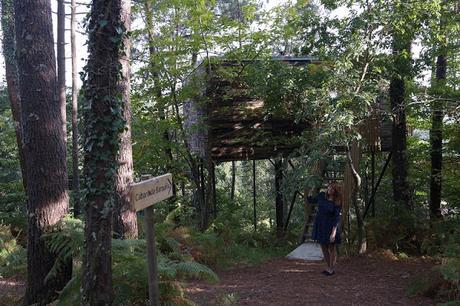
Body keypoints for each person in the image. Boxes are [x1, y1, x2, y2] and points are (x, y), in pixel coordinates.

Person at [308, 182, 342, 276]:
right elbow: (311, 200)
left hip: (330, 226)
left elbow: (336, 218)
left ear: (335, 191)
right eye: (329, 187)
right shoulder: (321, 195)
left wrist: (333, 233)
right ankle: (328, 267)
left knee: (331, 247)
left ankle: (331, 269)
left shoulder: (337, 202)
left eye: (332, 189)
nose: (329, 189)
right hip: (321, 225)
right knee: (323, 247)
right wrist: (311, 191)